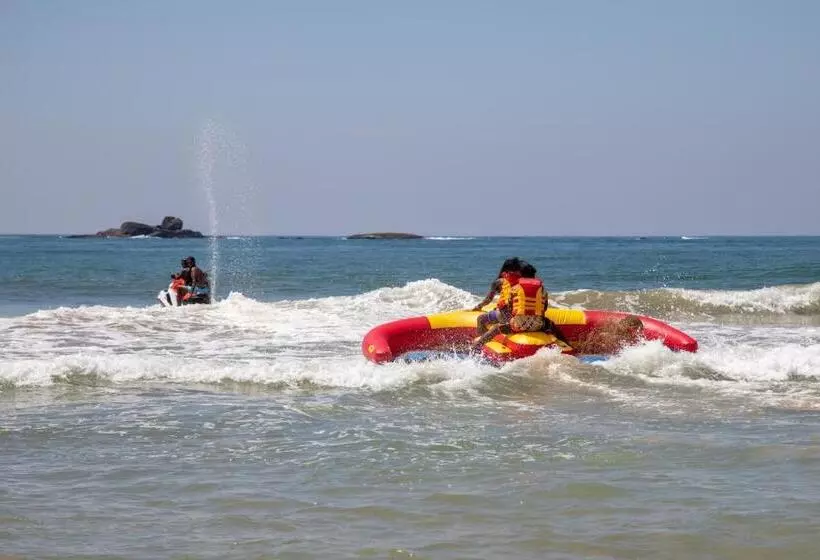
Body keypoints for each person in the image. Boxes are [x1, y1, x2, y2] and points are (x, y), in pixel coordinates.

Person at [472, 262, 546, 350]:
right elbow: (544, 308)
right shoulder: (542, 289)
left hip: (517, 324)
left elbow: (510, 308)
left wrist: (479, 306)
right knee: (549, 323)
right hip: (539, 326)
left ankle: (476, 347)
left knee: (492, 325)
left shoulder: (513, 287)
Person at [472, 257, 523, 339]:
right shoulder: (524, 281)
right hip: (521, 314)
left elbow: (488, 300)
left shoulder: (499, 282)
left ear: (504, 269)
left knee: (480, 319)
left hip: (504, 314)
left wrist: (478, 306)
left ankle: (483, 341)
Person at [572, 315, 644, 354]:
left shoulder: (621, 327)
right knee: (591, 346)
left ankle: (576, 346)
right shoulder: (620, 328)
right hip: (594, 344)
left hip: (593, 341)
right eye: (636, 329)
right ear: (630, 326)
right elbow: (602, 335)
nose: (636, 332)